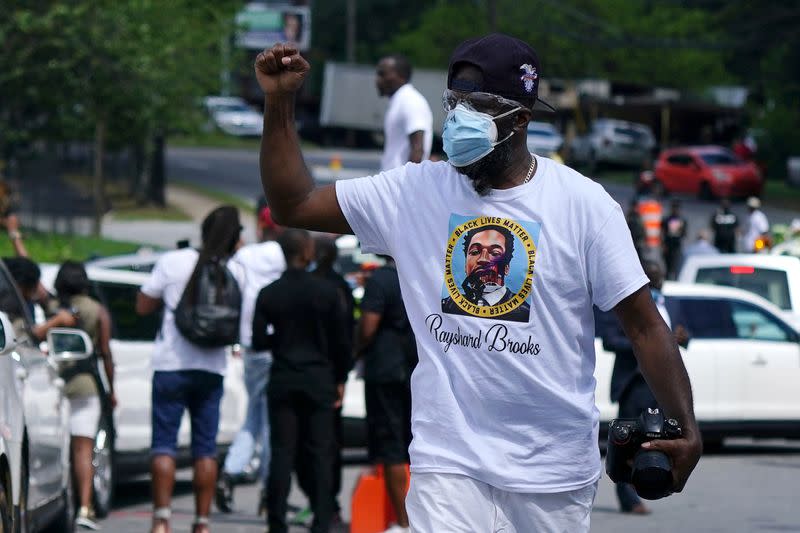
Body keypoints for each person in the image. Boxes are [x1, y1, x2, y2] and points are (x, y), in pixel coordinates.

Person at [254, 33, 701, 531]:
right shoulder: (413, 191)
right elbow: (292, 204)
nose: (460, 117)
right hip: (449, 461)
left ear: (520, 120)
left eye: (479, 106)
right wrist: (279, 103)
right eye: (454, 102)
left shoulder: (584, 205)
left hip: (550, 471)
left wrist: (686, 423)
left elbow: (643, 326)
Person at [136, 206, 245, 533]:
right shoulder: (234, 271)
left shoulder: (174, 261)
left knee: (164, 445)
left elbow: (143, 305)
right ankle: (202, 523)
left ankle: (161, 520)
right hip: (212, 368)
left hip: (171, 364)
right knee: (205, 450)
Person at [251, 229, 350, 533]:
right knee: (320, 450)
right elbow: (341, 341)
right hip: (318, 376)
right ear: (307, 252)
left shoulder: (269, 293)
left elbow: (257, 340)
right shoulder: (326, 293)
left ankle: (276, 520)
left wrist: (280, 342)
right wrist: (340, 377)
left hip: (283, 376)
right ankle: (322, 519)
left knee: (283, 451)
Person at [596, 260, 690, 515]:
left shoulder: (672, 304)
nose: (658, 279)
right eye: (653, 275)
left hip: (663, 385)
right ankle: (628, 499)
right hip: (634, 383)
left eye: (660, 275)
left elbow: (683, 336)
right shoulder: (625, 304)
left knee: (657, 441)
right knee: (629, 441)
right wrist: (646, 343)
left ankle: (652, 484)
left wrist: (681, 338)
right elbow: (610, 341)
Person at [215, 204, 286, 514]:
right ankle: (269, 488)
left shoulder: (244, 258)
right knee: (271, 422)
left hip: (249, 344)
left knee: (253, 416)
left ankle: (230, 471)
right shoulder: (285, 255)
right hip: (277, 343)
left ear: (260, 226)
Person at [52, 261, 117, 530]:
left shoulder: (53, 309)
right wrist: (112, 389)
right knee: (83, 448)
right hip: (85, 384)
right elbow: (105, 352)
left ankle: (60, 501)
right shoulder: (97, 310)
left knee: (58, 445)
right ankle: (85, 506)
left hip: (53, 382)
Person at [356, 255, 416, 533]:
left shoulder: (381, 279)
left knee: (392, 448)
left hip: (385, 368)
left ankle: (403, 523)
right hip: (416, 367)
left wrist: (355, 350)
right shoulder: (420, 272)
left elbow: (368, 325)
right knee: (418, 446)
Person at [310, 236, 355, 524]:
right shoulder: (340, 288)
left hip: (307, 370)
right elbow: (346, 332)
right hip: (328, 373)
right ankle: (329, 504)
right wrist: (343, 373)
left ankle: (319, 502)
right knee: (329, 443)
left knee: (307, 444)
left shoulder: (308, 283)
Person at [440, 224, 531, 322]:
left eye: (495, 253)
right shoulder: (449, 305)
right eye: (475, 252)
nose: (483, 259)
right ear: (465, 266)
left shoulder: (523, 313)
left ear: (506, 268)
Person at [375, 54, 433, 171]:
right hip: (393, 183)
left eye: (382, 74)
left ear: (401, 76)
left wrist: (407, 185)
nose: (377, 80)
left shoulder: (411, 100)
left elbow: (418, 149)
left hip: (400, 186)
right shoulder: (400, 100)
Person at [662, 198, 688, 280]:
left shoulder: (682, 220)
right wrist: (663, 245)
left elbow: (684, 233)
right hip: (668, 246)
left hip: (677, 246)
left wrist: (679, 230)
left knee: (676, 266)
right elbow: (662, 232)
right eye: (674, 208)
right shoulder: (666, 220)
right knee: (668, 267)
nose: (675, 210)